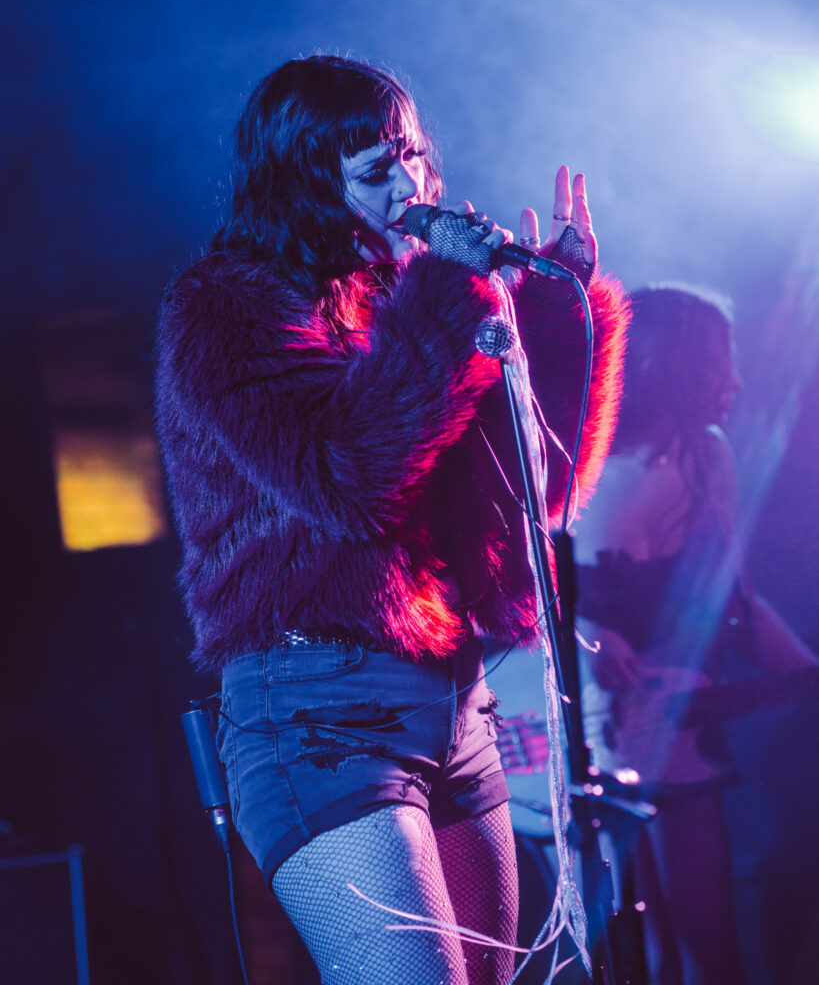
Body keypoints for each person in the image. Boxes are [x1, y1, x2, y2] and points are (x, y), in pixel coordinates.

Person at [155, 54, 628, 985]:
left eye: (413, 158)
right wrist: (449, 291)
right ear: (301, 184)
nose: (412, 188)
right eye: (376, 171)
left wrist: (549, 316)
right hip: (318, 712)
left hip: (455, 703)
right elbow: (347, 480)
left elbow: (532, 500)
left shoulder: (404, 302)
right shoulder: (224, 307)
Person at [573, 284, 818, 984]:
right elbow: (529, 596)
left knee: (705, 961)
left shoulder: (704, 459)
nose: (734, 381)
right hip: (582, 745)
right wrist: (590, 633)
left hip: (676, 739)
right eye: (717, 363)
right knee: (645, 961)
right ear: (674, 366)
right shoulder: (577, 461)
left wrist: (807, 676)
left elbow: (735, 604)